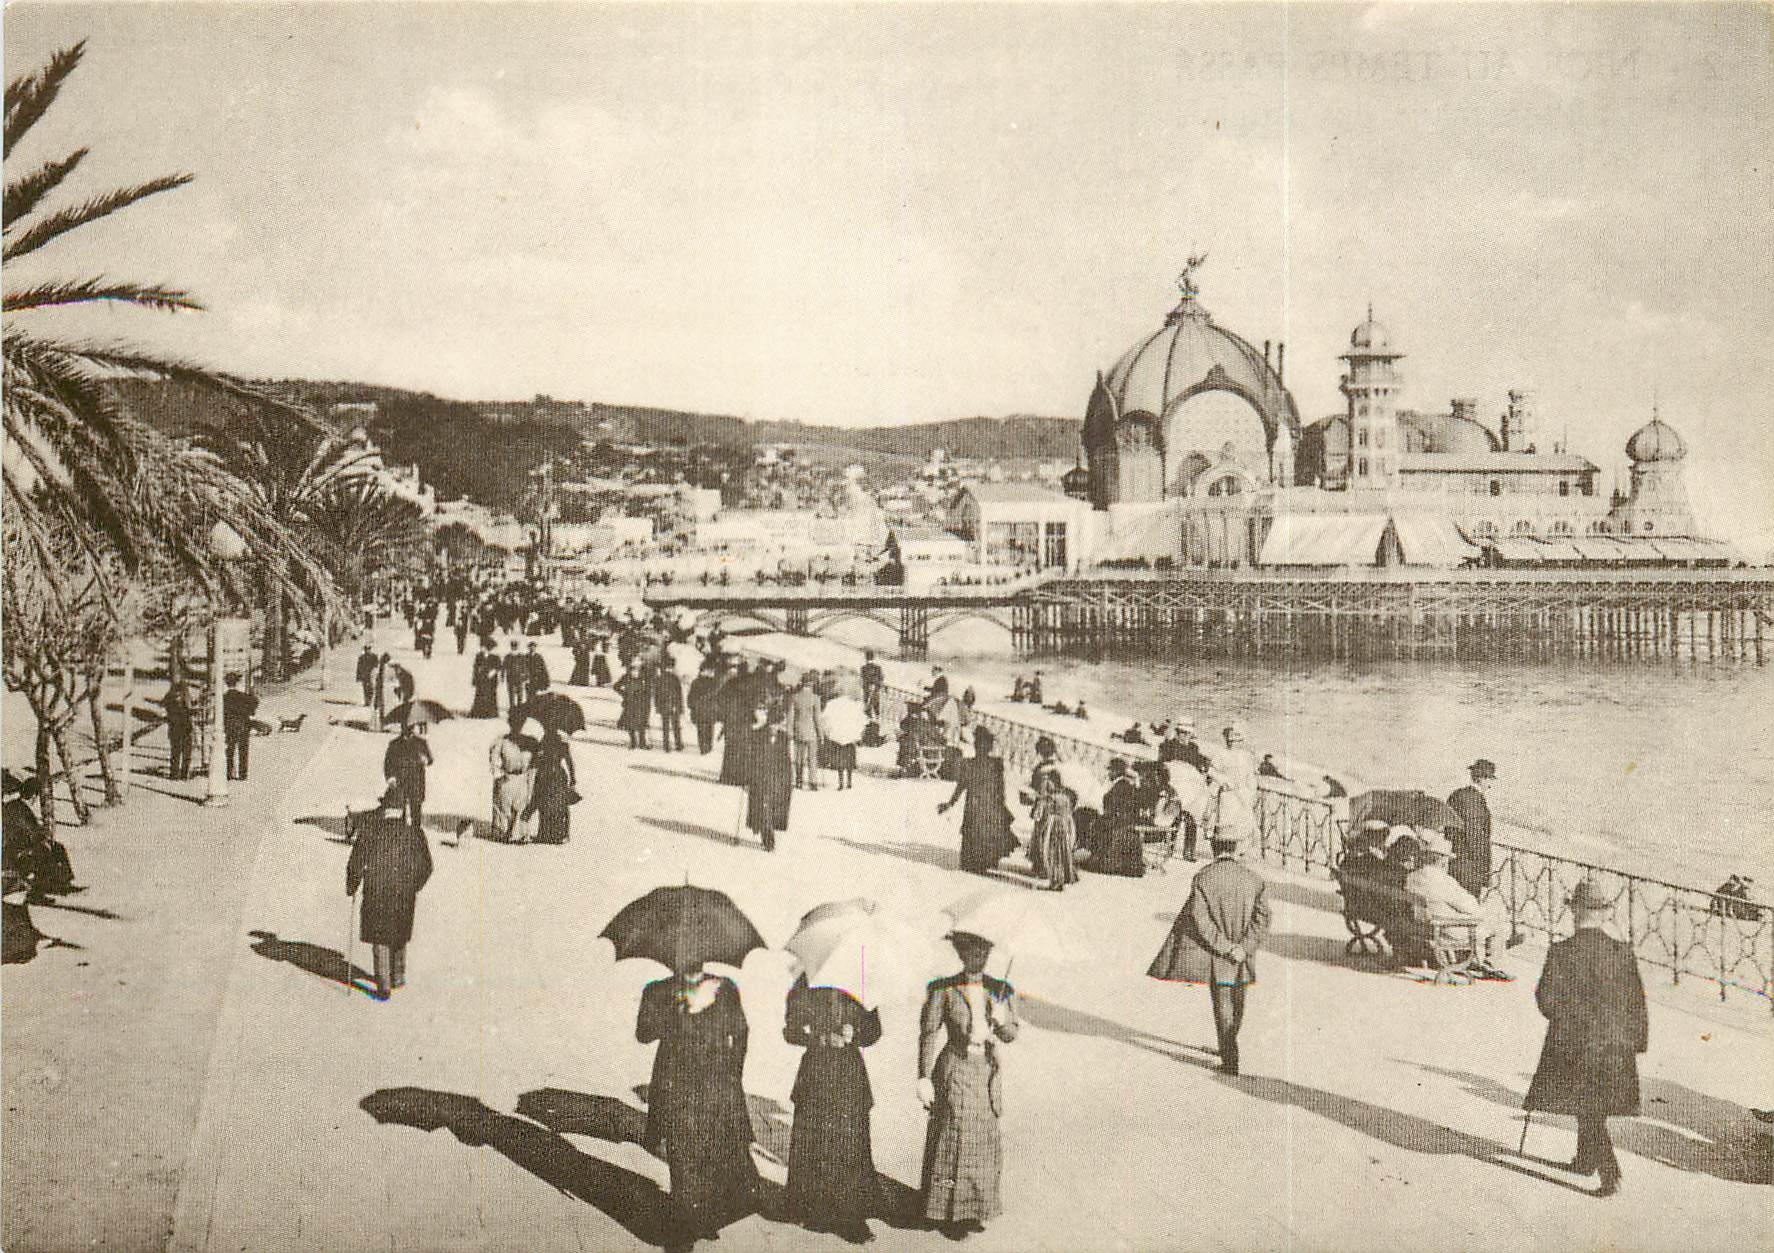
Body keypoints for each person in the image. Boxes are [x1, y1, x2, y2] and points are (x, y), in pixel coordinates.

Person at [1524, 878, 1649, 1198]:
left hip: (1574, 1043)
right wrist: (1636, 1041)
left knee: (1588, 1107)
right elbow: (1637, 1002)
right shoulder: (1623, 952)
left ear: (1575, 914)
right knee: (1592, 1105)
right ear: (1605, 914)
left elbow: (1546, 1000)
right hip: (1615, 1045)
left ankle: (1610, 1171)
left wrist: (1566, 1020)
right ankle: (1584, 1159)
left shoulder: (1562, 952)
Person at [636, 964, 760, 1244]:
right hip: (677, 1087)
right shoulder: (658, 990)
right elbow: (643, 1033)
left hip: (715, 1086)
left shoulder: (724, 988)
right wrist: (681, 1008)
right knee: (683, 1154)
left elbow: (741, 1032)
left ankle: (703, 1216)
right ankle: (684, 1226)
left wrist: (732, 1073)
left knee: (713, 1152)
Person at [918, 930, 1018, 1240]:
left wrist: (1002, 1021)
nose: (979, 958)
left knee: (982, 1143)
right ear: (962, 955)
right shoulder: (943, 989)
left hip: (986, 1073)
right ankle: (948, 1211)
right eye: (973, 952)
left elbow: (1011, 1035)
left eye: (984, 952)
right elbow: (929, 1032)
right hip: (956, 1070)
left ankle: (974, 1208)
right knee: (955, 1139)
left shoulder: (1001, 989)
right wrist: (922, 1077)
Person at [1147, 826, 1270, 1075]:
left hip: (1219, 956)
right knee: (1238, 1003)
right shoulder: (1254, 879)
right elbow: (1262, 919)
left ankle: (1230, 1057)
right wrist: (1243, 948)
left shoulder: (1204, 878)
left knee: (1222, 1003)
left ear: (1215, 848)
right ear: (1236, 848)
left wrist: (1225, 947)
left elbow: (1200, 920)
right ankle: (1229, 1043)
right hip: (1243, 957)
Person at [783, 976, 883, 1243]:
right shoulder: (806, 985)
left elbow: (874, 1032)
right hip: (816, 1072)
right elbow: (790, 1032)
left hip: (850, 1074)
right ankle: (814, 1209)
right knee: (815, 1142)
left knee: (850, 1144)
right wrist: (820, 1036)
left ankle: (851, 1216)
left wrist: (855, 1034)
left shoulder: (861, 983)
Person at [345, 784, 434, 1001]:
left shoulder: (369, 830)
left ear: (384, 807)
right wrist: (414, 884)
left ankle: (383, 985)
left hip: (376, 890)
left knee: (380, 935)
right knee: (399, 931)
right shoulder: (414, 833)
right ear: (403, 809)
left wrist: (352, 885)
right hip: (404, 891)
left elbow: (355, 863)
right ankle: (398, 976)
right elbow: (427, 866)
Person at [1403, 830, 1513, 979]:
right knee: (1498, 925)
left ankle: (1477, 960)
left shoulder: (1412, 876)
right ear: (1442, 860)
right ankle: (1491, 964)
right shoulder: (1444, 881)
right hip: (1447, 929)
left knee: (1486, 919)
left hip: (1424, 924)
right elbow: (1473, 908)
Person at [937, 728, 1016, 876]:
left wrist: (950, 803)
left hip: (976, 805)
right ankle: (984, 861)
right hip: (989, 804)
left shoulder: (970, 764)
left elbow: (961, 786)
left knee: (977, 832)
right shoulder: (995, 764)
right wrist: (1001, 804)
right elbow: (1000, 788)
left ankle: (975, 862)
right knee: (986, 832)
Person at [1023, 739, 1079, 892]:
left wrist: (1035, 798)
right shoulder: (1061, 767)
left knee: (1046, 839)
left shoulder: (1044, 770)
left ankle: (1047, 870)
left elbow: (1040, 791)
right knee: (1054, 842)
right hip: (1062, 810)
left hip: (1050, 810)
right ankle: (1051, 871)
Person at [739, 704, 793, 851]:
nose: (776, 728)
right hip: (760, 778)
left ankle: (767, 833)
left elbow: (786, 761)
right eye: (774, 724)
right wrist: (746, 778)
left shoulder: (783, 738)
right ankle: (768, 838)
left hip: (777, 779)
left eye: (779, 724)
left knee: (772, 808)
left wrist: (788, 780)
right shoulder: (757, 735)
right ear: (769, 722)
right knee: (764, 807)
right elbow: (750, 759)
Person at [1446, 758, 1497, 897]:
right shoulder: (1475, 800)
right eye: (1490, 779)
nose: (1491, 784)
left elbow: (1448, 830)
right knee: (1469, 907)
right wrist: (1486, 873)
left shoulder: (1457, 794)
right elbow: (1476, 838)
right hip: (1471, 867)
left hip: (1453, 861)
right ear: (1482, 779)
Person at [487, 710, 535, 843]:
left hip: (523, 779)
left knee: (520, 807)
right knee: (503, 807)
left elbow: (535, 763)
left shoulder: (530, 742)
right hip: (506, 779)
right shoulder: (502, 741)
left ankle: (517, 833)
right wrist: (500, 773)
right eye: (514, 722)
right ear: (510, 723)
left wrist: (530, 778)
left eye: (520, 722)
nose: (517, 725)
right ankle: (501, 831)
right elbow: (494, 760)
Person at [524, 726, 576, 844]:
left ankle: (544, 834)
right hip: (559, 775)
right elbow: (570, 763)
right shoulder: (563, 745)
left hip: (544, 775)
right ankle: (562, 834)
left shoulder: (542, 745)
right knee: (561, 805)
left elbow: (535, 762)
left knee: (543, 805)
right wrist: (573, 779)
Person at [382, 723, 432, 830]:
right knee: (399, 811)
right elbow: (388, 763)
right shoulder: (395, 744)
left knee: (416, 810)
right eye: (407, 728)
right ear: (402, 728)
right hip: (400, 782)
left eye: (411, 728)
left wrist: (426, 760)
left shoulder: (421, 743)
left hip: (416, 781)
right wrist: (390, 777)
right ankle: (401, 834)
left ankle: (416, 835)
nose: (410, 730)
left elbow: (430, 759)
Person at [789, 673, 824, 790]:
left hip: (798, 730)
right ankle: (812, 782)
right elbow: (817, 718)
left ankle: (798, 781)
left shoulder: (795, 697)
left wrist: (790, 731)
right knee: (812, 758)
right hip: (811, 731)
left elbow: (791, 716)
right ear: (811, 684)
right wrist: (821, 734)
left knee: (799, 757)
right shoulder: (815, 698)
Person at [221, 672, 258, 782]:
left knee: (230, 750)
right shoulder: (243, 696)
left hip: (230, 725)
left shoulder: (224, 697)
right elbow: (254, 703)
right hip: (243, 724)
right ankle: (243, 774)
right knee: (243, 750)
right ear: (237, 683)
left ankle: (229, 772)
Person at [687, 660, 722, 756]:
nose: (712, 673)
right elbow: (691, 696)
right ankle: (704, 748)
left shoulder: (713, 683)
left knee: (708, 730)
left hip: (707, 711)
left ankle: (707, 748)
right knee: (703, 730)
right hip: (703, 711)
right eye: (710, 671)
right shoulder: (700, 683)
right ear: (704, 671)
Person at [616, 663, 654, 750]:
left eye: (636, 670)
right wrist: (624, 694)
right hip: (630, 703)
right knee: (630, 724)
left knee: (641, 723)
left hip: (641, 704)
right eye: (633, 670)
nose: (634, 672)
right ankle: (633, 742)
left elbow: (648, 691)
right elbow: (616, 686)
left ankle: (642, 743)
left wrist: (646, 700)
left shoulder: (644, 679)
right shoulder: (626, 678)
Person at [163, 681, 195, 781]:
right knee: (186, 752)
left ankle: (174, 773)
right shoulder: (185, 701)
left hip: (173, 729)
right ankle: (184, 774)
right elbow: (190, 710)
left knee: (175, 752)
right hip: (186, 728)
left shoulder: (169, 699)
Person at [654, 661, 685, 753]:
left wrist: (680, 707)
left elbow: (679, 694)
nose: (669, 669)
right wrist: (658, 706)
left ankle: (677, 744)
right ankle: (668, 745)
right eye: (667, 667)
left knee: (674, 726)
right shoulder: (661, 679)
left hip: (673, 706)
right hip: (667, 706)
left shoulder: (674, 679)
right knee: (668, 726)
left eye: (670, 667)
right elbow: (657, 695)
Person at [469, 642, 502, 718]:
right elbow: (475, 668)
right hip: (481, 679)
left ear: (488, 648)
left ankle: (490, 713)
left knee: (490, 696)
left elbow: (499, 666)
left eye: (483, 647)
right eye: (481, 647)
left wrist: (493, 671)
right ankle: (479, 713)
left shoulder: (495, 657)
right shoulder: (479, 656)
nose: (482, 648)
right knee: (480, 695)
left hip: (491, 680)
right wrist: (474, 679)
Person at [503, 641, 529, 713]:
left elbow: (525, 666)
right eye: (513, 646)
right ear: (511, 647)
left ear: (518, 647)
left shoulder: (521, 656)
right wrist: (502, 676)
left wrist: (526, 676)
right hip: (510, 677)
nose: (514, 648)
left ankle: (519, 707)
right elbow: (504, 667)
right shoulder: (508, 656)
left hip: (519, 677)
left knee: (520, 693)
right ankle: (512, 707)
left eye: (516, 646)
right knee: (511, 693)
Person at [859, 650, 884, 719]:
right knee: (875, 705)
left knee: (868, 705)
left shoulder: (863, 668)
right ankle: (876, 718)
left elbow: (862, 679)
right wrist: (877, 687)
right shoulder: (878, 667)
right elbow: (881, 678)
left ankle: (870, 718)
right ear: (873, 657)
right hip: (874, 689)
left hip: (867, 689)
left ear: (866, 658)